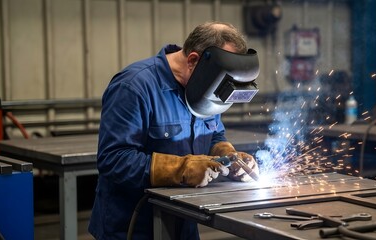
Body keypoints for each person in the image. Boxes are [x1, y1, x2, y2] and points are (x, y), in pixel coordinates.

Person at [88, 21, 260, 240]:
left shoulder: (204, 87)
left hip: (183, 222)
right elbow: (113, 159)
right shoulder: (133, 86)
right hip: (132, 228)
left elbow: (214, 134)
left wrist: (228, 155)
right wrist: (182, 169)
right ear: (193, 60)